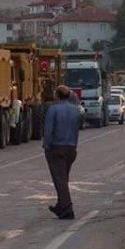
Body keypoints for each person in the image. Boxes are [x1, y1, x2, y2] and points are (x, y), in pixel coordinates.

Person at [43, 85, 81, 220]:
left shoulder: (53, 109)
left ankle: (67, 208)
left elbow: (48, 131)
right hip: (71, 148)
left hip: (56, 148)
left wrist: (47, 146)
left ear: (57, 95)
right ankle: (60, 205)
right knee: (63, 178)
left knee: (60, 180)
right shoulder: (75, 110)